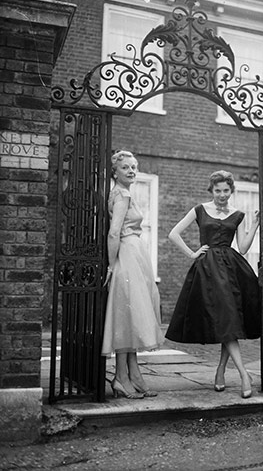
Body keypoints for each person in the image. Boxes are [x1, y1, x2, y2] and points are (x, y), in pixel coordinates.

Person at [165, 170, 263, 399]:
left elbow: (244, 247)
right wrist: (192, 253)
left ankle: (221, 371)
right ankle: (243, 375)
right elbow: (174, 233)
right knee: (226, 321)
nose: (222, 195)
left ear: (231, 190)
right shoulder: (199, 210)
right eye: (218, 190)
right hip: (208, 271)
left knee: (227, 321)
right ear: (212, 190)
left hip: (231, 270)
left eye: (226, 190)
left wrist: (256, 224)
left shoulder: (237, 214)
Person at [101, 150, 164, 399]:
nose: (132, 171)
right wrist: (110, 265)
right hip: (126, 256)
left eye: (134, 167)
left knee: (132, 316)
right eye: (126, 167)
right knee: (128, 315)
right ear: (115, 171)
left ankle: (133, 374)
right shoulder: (122, 194)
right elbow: (113, 233)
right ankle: (121, 377)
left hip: (134, 255)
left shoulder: (123, 193)